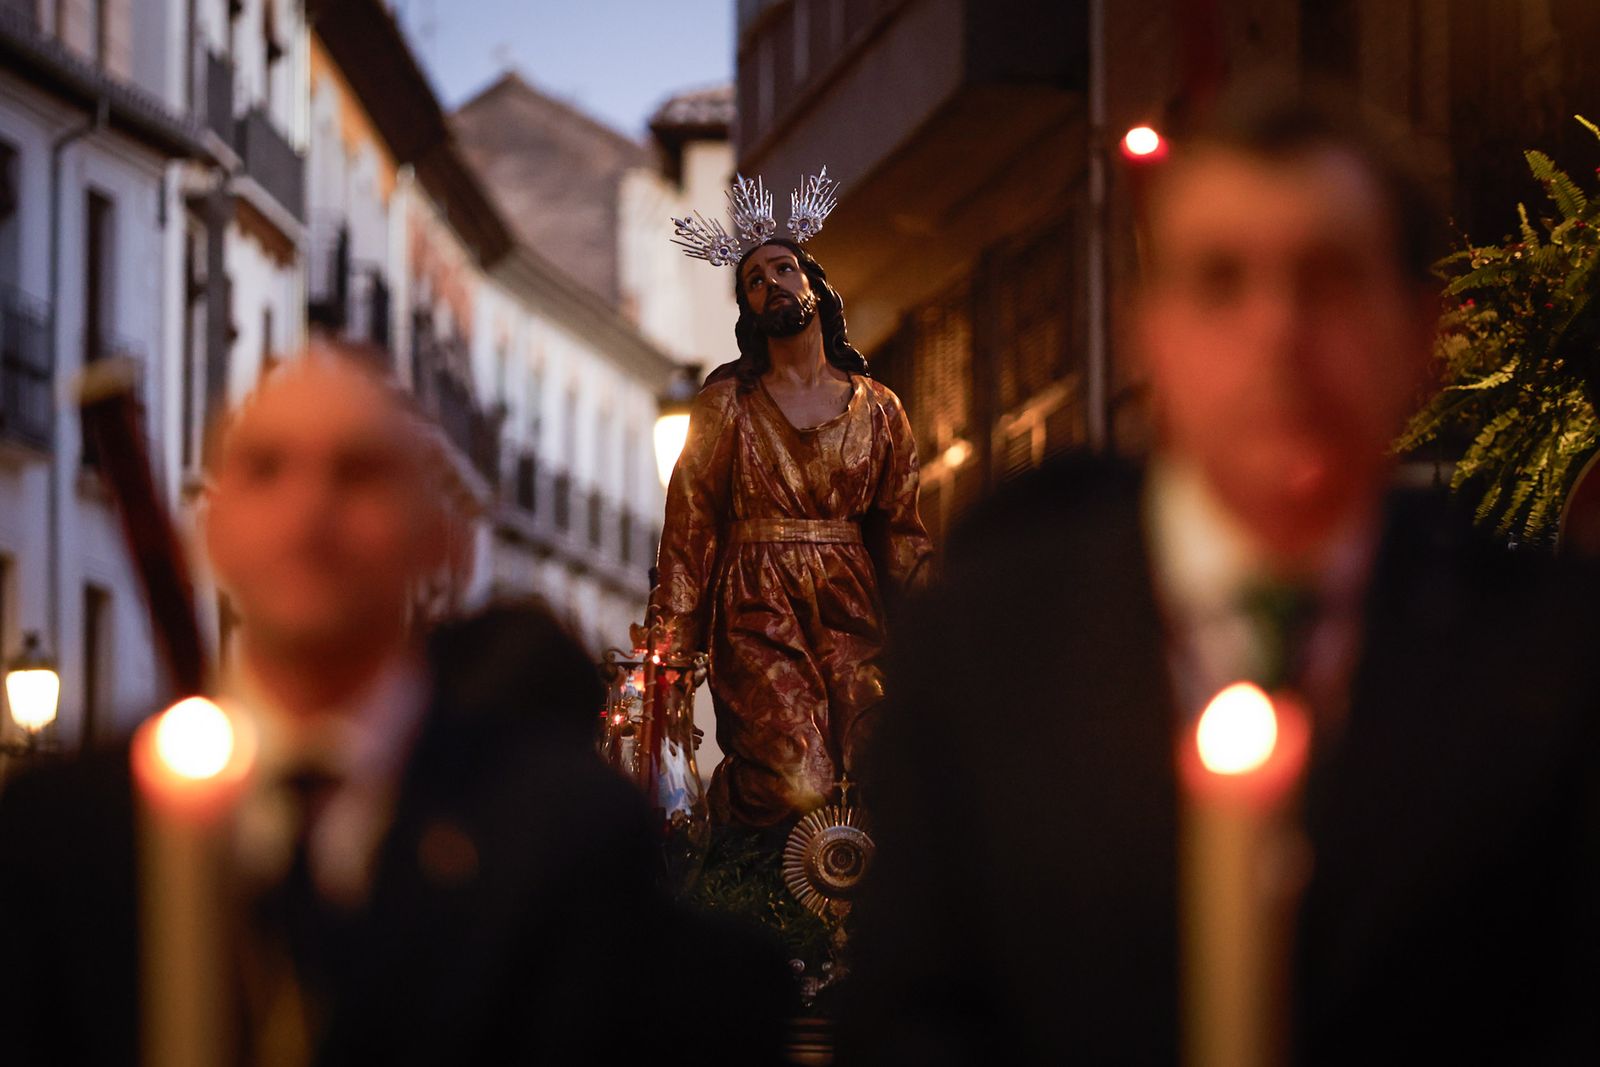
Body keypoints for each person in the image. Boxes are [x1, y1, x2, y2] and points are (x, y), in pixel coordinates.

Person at [842, 89, 1600, 1064]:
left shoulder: (1547, 650)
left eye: (1326, 279)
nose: (1277, 330)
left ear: (1422, 332)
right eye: (1219, 282)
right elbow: (913, 1013)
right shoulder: (986, 647)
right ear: (1152, 334)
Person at [0, 346, 786, 1065]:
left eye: (358, 472)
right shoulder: (63, 827)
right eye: (267, 469)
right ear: (212, 528)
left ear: (442, 537)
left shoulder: (562, 834)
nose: (310, 513)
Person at [653, 227, 934, 830]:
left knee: (868, 761)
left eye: (783, 269)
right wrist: (671, 649)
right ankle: (732, 857)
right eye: (754, 281)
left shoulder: (879, 409)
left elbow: (903, 534)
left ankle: (843, 916)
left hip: (849, 602)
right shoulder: (726, 406)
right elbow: (689, 530)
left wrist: (937, 629)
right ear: (748, 309)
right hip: (757, 605)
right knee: (796, 770)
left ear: (814, 286)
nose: (771, 285)